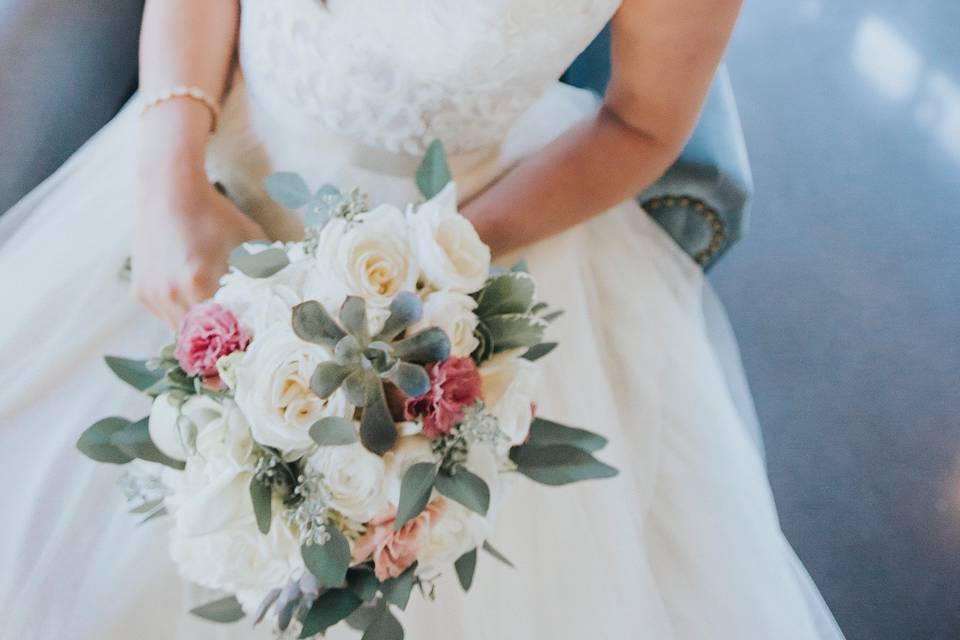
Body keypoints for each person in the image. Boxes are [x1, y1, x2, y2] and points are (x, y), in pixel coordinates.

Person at [0, 0, 845, 638]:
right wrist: (166, 185)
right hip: (201, 158)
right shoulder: (170, 182)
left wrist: (437, 268)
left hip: (468, 219)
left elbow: (642, 123)